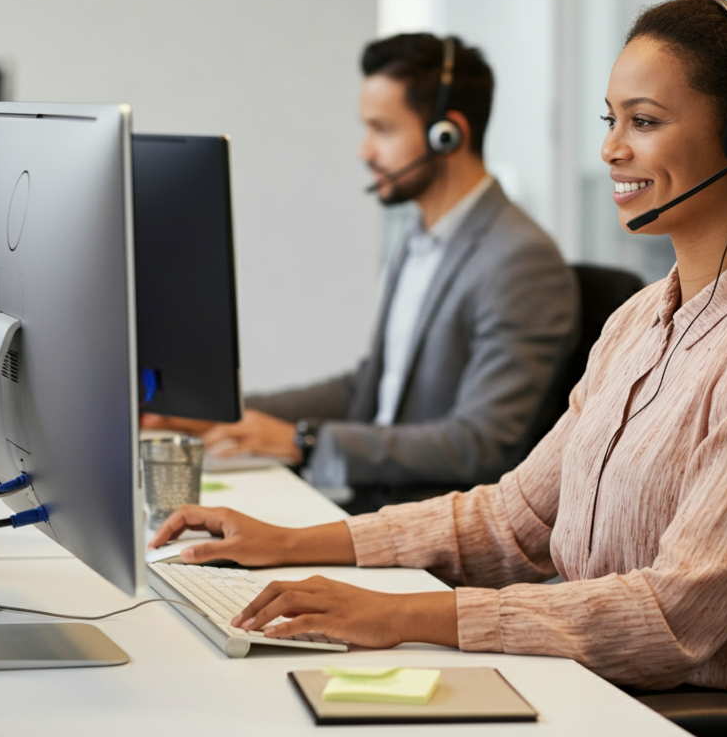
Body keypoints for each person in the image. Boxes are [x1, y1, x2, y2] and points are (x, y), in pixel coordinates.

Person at [148, 0, 727, 699]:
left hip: (675, 711)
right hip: (594, 682)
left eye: (644, 122)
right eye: (611, 120)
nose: (611, 149)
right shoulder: (645, 317)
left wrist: (403, 614)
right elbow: (516, 518)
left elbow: (670, 619)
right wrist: (290, 543)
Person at [145, 33, 578, 503]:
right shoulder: (419, 239)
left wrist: (302, 441)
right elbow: (369, 388)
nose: (364, 151)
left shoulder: (519, 260)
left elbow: (483, 442)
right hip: (368, 495)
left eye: (383, 129)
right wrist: (225, 413)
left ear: (447, 134)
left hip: (429, 519)